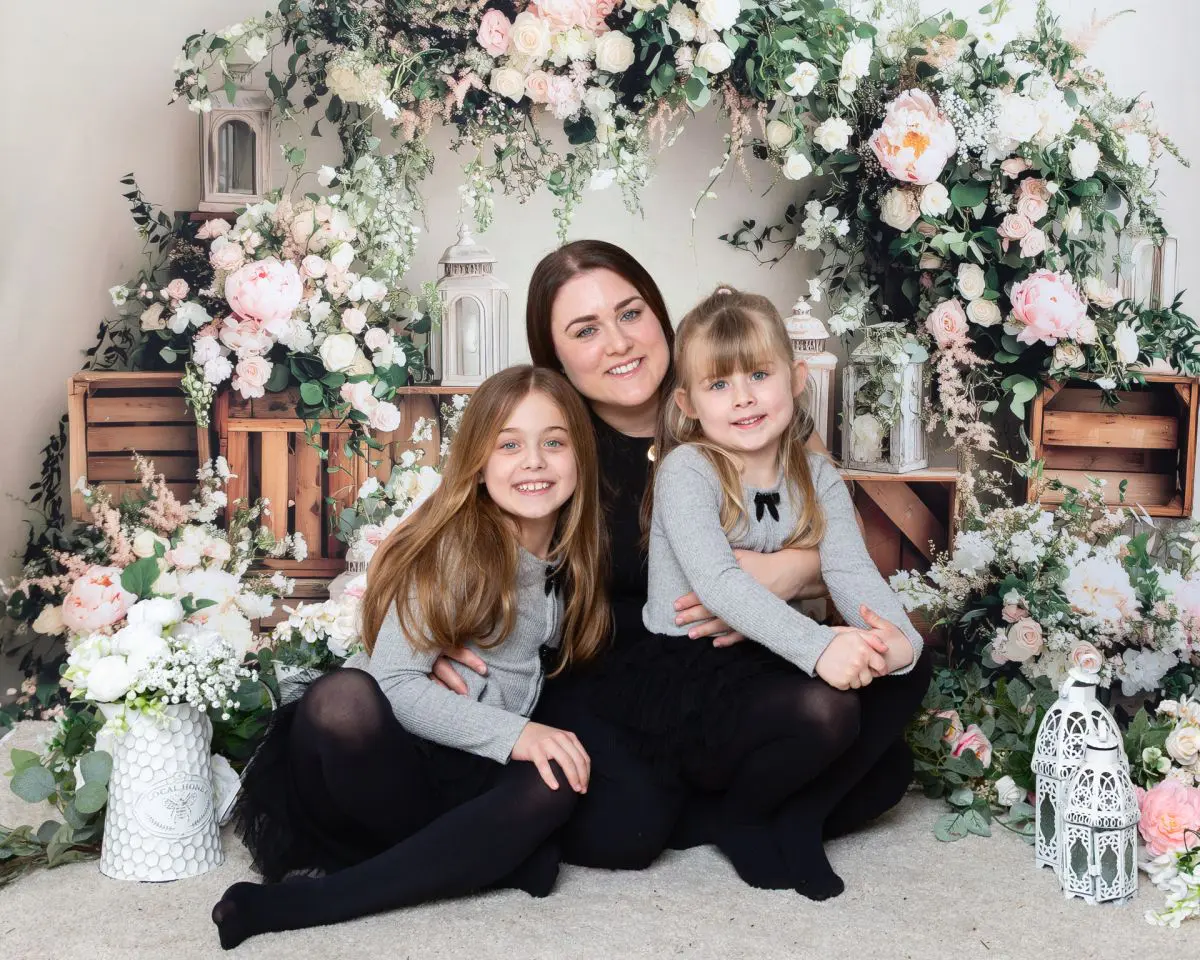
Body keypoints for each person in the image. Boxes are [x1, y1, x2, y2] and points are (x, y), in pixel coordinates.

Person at [430, 242, 930, 895]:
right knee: (627, 833)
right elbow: (465, 531)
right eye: (586, 330)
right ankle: (727, 809)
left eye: (629, 313)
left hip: (752, 651)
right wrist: (439, 635)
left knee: (884, 766)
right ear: (555, 356)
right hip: (609, 674)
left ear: (659, 315)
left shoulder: (744, 403)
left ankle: (752, 802)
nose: (617, 342)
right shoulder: (549, 437)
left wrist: (787, 573)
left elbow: (824, 527)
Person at [212, 365, 609, 950]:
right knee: (342, 699)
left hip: (467, 775)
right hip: (392, 764)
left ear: (580, 457)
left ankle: (438, 861)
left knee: (554, 786)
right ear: (476, 461)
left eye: (554, 442)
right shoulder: (456, 545)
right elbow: (396, 684)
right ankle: (317, 901)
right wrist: (519, 735)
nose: (534, 462)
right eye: (509, 444)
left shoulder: (571, 558)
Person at [631, 284, 931, 898]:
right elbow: (717, 584)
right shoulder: (688, 470)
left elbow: (849, 572)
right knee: (828, 707)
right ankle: (740, 817)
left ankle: (801, 814)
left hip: (772, 655)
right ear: (688, 403)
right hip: (693, 676)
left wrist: (893, 640)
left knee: (903, 707)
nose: (743, 398)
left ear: (794, 379)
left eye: (759, 375)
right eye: (718, 385)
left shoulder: (815, 472)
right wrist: (821, 648)